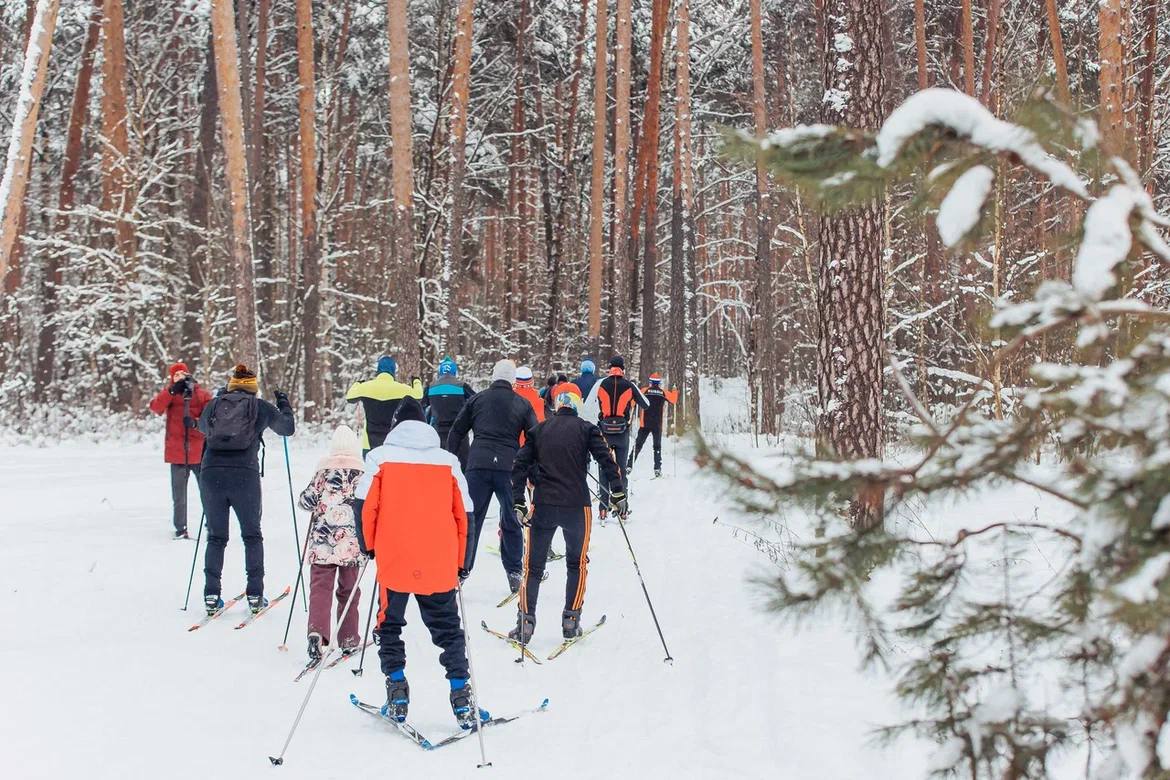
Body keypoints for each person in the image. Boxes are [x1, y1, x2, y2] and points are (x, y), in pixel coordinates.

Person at [356, 397, 479, 728]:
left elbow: (365, 506)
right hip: (438, 561)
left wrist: (369, 546)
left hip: (394, 559)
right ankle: (461, 693)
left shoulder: (379, 458)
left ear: (396, 426)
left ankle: (396, 689)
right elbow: (465, 514)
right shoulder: (449, 462)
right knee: (448, 629)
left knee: (388, 625)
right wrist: (462, 561)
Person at [508, 383, 624, 644]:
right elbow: (607, 460)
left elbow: (519, 466)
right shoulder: (588, 429)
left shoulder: (539, 430)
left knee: (533, 568)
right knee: (577, 563)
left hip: (543, 506)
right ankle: (570, 621)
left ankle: (525, 623)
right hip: (577, 507)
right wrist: (617, 492)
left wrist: (518, 502)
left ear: (557, 404)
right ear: (577, 405)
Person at [197, 364, 296, 615]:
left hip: (211, 474)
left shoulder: (215, 404)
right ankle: (254, 594)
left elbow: (200, 428)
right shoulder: (259, 406)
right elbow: (287, 429)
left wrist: (220, 402)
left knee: (216, 537)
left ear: (231, 384)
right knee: (252, 535)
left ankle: (211, 594)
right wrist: (284, 403)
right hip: (244, 476)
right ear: (253, 386)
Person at [447, 359, 538, 593]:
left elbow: (456, 431)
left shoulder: (477, 399)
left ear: (493, 376)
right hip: (509, 467)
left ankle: (461, 569)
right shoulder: (522, 403)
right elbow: (534, 438)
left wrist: (451, 461)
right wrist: (531, 469)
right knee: (511, 518)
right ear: (512, 380)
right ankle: (515, 572)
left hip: (478, 465)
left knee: (471, 519)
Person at [298, 425, 366, 662]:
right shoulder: (362, 474)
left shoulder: (322, 472)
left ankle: (317, 631)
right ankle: (348, 638)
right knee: (349, 591)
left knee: (320, 588)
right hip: (351, 545)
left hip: (322, 543)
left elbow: (306, 501)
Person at [148, 362, 212, 539]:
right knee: (179, 496)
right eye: (176, 375)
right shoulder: (170, 394)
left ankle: (212, 523)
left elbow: (210, 413)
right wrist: (171, 391)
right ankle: (180, 527)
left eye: (182, 374)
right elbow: (155, 407)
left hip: (198, 452)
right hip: (177, 453)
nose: (179, 378)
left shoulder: (199, 393)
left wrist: (196, 422)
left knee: (207, 492)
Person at [583, 355, 648, 519]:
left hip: (604, 431)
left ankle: (603, 509)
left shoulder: (601, 383)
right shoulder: (629, 385)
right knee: (620, 470)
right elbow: (646, 404)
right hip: (622, 433)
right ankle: (623, 509)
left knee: (604, 467)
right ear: (623, 370)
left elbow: (588, 406)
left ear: (609, 369)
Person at [345, 356, 424, 455]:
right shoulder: (401, 389)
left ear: (378, 370)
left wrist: (357, 383)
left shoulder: (366, 387)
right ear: (393, 371)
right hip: (393, 442)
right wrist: (416, 381)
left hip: (369, 445)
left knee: (372, 470)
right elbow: (419, 396)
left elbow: (350, 397)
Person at [423, 356, 475, 471]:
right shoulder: (462, 386)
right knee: (463, 466)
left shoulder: (431, 387)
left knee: (439, 466)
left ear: (440, 371)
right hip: (459, 432)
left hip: (437, 431)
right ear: (454, 371)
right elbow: (476, 402)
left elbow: (421, 407)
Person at [631, 372, 678, 478]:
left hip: (645, 423)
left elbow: (633, 402)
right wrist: (674, 389)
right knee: (657, 447)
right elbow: (674, 400)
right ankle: (657, 468)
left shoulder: (644, 391)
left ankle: (629, 465)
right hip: (657, 424)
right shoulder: (663, 392)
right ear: (659, 383)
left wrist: (634, 389)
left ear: (650, 382)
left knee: (638, 445)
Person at [513, 366, 546, 439]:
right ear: (532, 382)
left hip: (511, 445)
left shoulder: (508, 398)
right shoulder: (540, 402)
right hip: (532, 445)